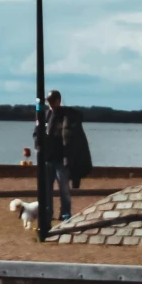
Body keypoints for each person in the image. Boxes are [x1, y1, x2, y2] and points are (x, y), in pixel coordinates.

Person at [32, 89, 95, 222]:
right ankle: (48, 212)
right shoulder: (46, 115)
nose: (50, 104)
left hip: (61, 158)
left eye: (52, 101)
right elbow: (38, 130)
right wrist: (38, 145)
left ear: (58, 100)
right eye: (48, 102)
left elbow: (71, 134)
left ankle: (65, 213)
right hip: (47, 158)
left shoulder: (66, 115)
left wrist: (69, 156)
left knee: (64, 188)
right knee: (47, 189)